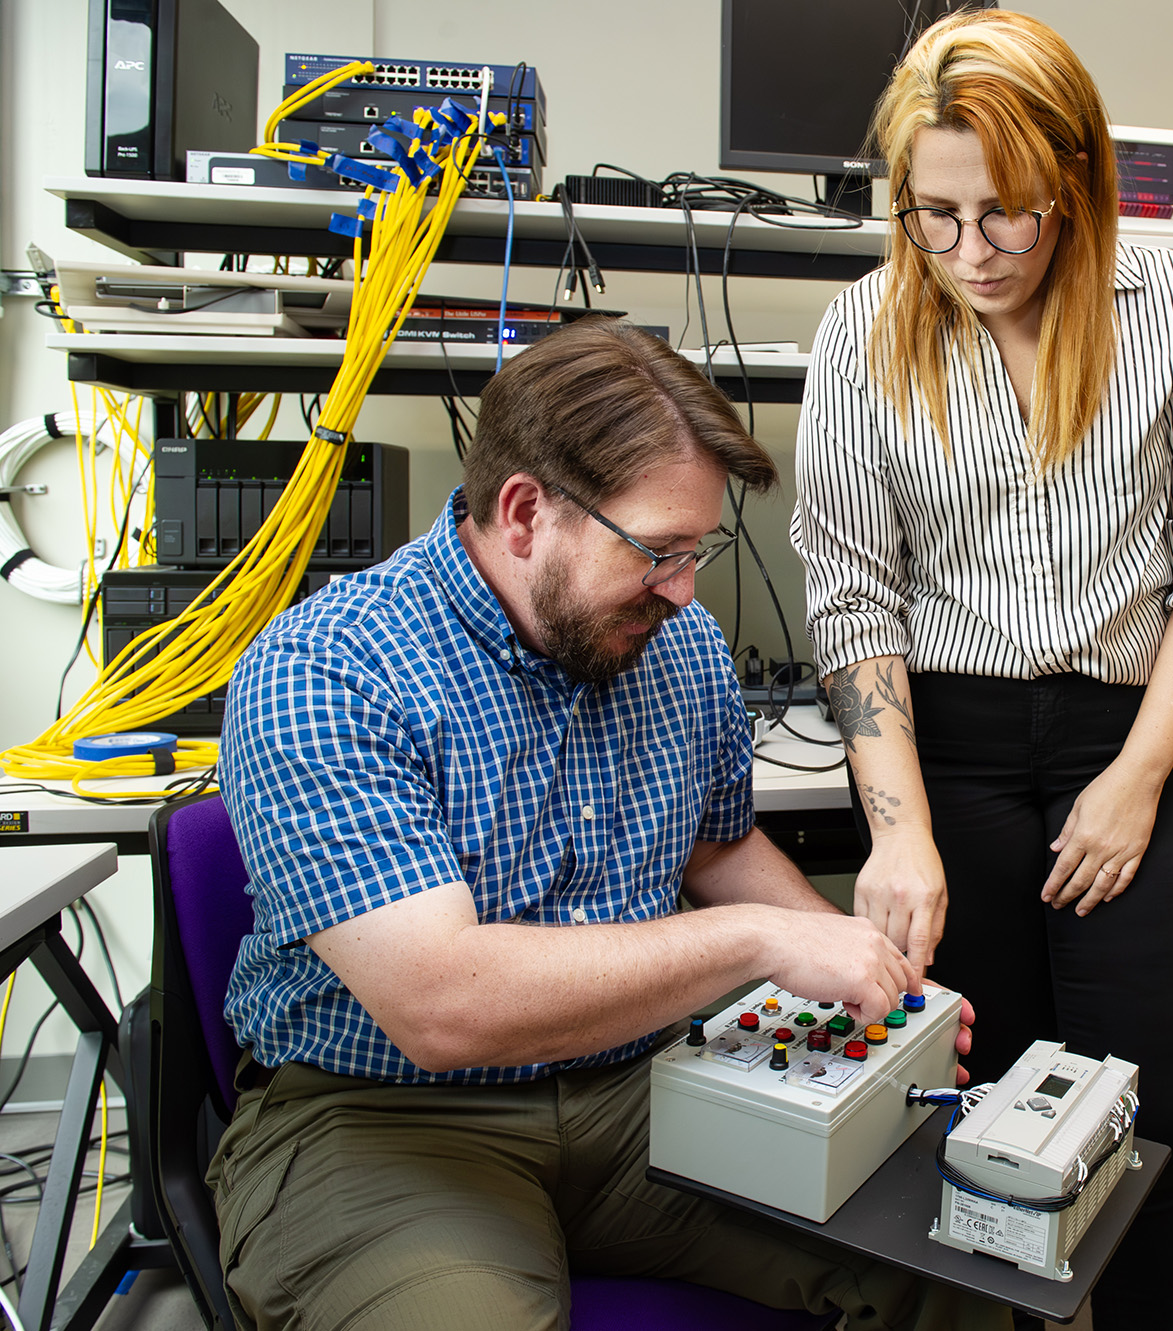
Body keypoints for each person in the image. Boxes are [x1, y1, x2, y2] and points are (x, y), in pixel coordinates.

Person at [210, 318, 1004, 1331]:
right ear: (526, 512)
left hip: (648, 1080)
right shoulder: (325, 667)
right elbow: (440, 1006)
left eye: (698, 550)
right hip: (386, 1113)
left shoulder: (679, 649)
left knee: (959, 1247)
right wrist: (764, 941)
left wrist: (859, 968)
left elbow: (714, 846)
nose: (683, 589)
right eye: (657, 552)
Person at [791, 11, 1173, 1330]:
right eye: (932, 215)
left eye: (1005, 213)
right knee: (976, 1100)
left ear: (1076, 181)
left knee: (1149, 1108)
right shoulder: (864, 330)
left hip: (1139, 737)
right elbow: (852, 598)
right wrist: (900, 833)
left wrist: (1135, 779)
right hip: (946, 746)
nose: (968, 251)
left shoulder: (1164, 301)